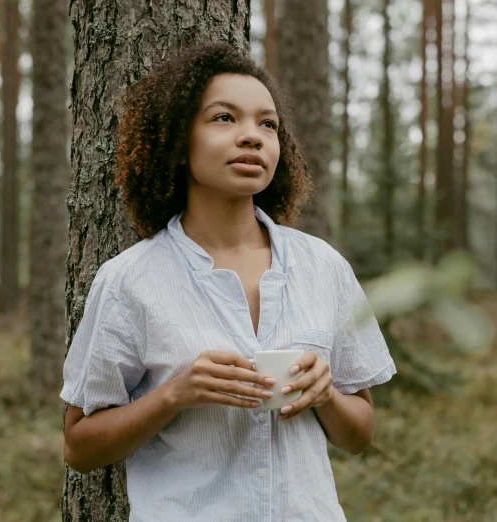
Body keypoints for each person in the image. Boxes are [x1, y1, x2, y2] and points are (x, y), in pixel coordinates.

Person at [60, 42, 396, 521]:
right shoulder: (128, 281)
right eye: (224, 118)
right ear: (179, 139)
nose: (252, 137)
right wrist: (174, 394)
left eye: (268, 124)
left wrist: (326, 397)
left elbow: (359, 436)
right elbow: (79, 445)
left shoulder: (324, 268)